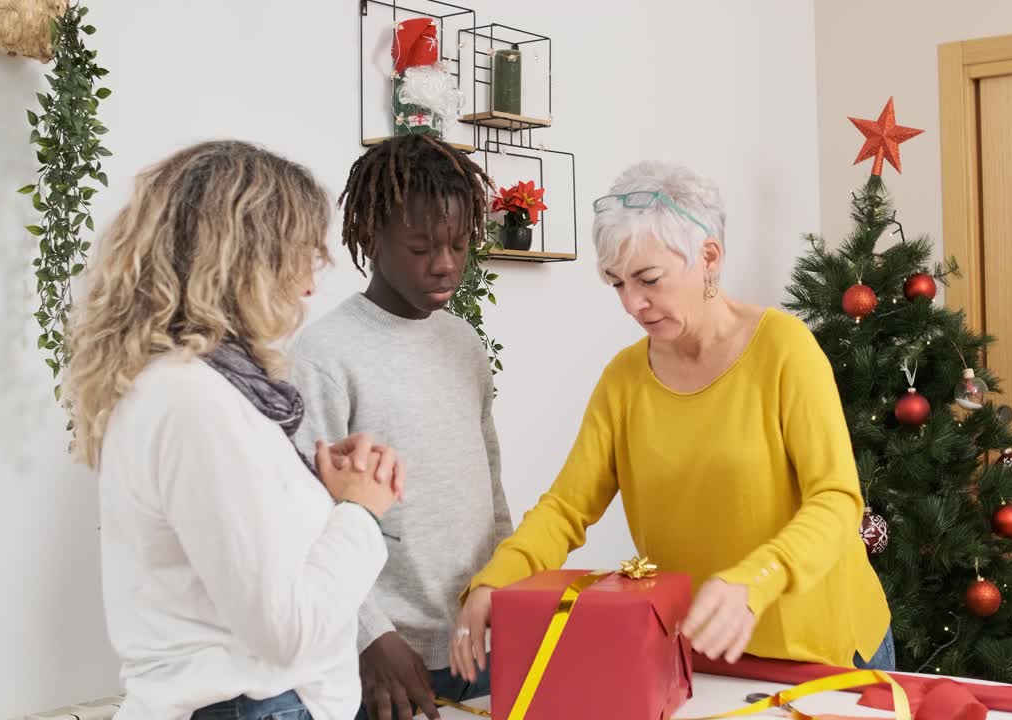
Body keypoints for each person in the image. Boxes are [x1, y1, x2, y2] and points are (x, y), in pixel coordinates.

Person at [450, 160, 894, 680]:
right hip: (700, 653)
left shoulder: (784, 351)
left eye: (649, 279)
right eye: (616, 283)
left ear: (709, 257)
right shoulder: (623, 381)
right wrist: (494, 581)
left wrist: (755, 580)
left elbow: (837, 500)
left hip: (820, 647)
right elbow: (566, 509)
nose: (632, 304)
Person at [64, 140, 405, 720]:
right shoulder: (193, 400)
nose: (307, 288)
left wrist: (322, 498)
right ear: (245, 258)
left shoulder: (197, 388)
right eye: (300, 257)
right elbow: (284, 630)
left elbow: (246, 571)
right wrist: (361, 512)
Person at [288, 134, 512, 720]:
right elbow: (304, 516)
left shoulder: (463, 342)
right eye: (421, 247)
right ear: (371, 238)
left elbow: (488, 479)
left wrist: (509, 581)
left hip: (479, 637)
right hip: (384, 658)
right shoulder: (325, 354)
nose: (444, 264)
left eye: (460, 246)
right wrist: (369, 636)